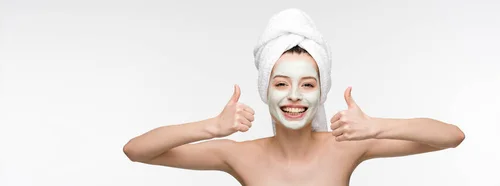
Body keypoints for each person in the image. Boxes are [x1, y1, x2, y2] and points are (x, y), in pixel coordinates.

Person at [123, 9, 465, 186]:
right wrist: (211, 126)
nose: (294, 96)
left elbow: (451, 137)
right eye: (282, 83)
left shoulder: (345, 147)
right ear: (265, 90)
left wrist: (376, 126)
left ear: (321, 91)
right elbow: (136, 151)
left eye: (308, 85)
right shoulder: (239, 156)